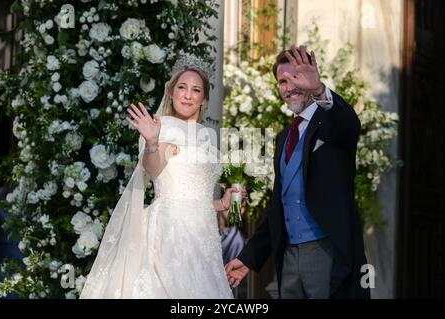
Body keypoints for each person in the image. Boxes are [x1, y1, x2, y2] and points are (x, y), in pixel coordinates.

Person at [80, 55, 246, 299]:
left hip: (204, 235)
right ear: (171, 93)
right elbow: (154, 168)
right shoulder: (161, 126)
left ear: (203, 99)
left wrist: (220, 204)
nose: (188, 95)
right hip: (171, 231)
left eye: (196, 90)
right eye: (182, 87)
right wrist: (152, 144)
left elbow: (192, 192)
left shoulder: (208, 135)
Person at [225, 45, 370, 299]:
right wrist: (249, 258)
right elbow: (279, 207)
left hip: (328, 252)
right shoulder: (283, 137)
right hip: (289, 257)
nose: (289, 87)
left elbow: (351, 124)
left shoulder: (332, 124)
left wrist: (319, 90)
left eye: (296, 78)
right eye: (283, 81)